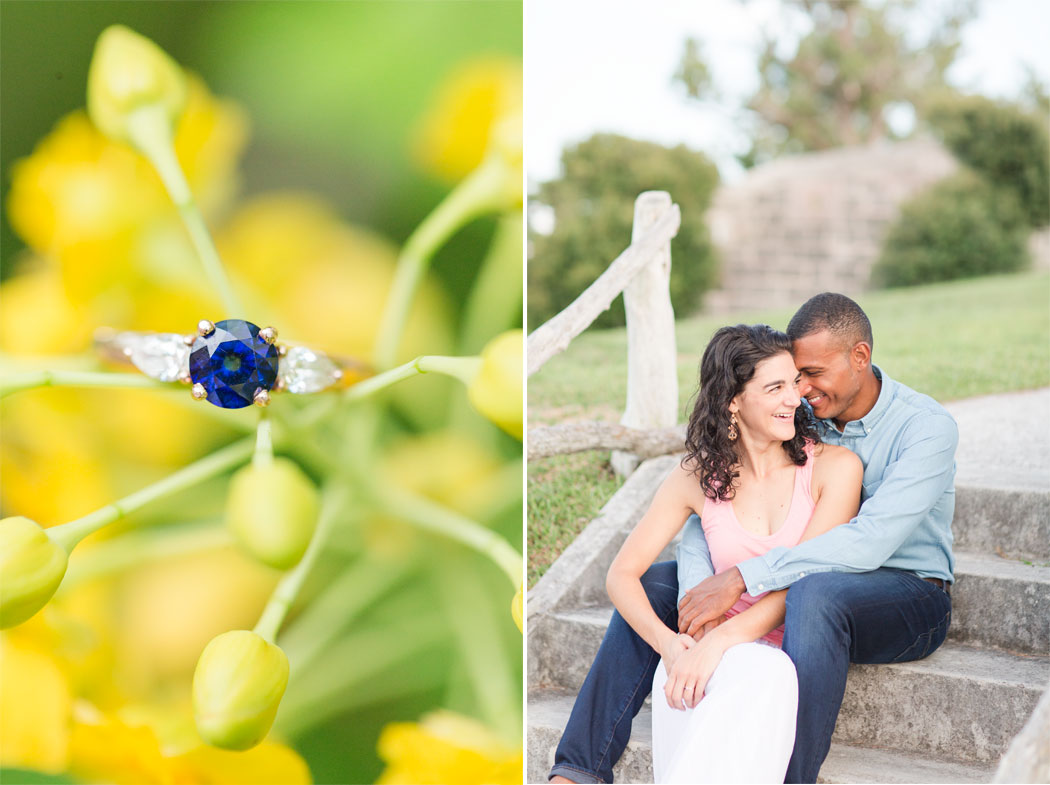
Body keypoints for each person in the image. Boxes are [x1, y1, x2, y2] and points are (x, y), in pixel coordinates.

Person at [548, 293, 957, 785]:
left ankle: (792, 777)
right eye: (789, 379)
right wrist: (697, 613)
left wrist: (738, 584)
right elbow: (711, 518)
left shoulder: (924, 428)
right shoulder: (805, 418)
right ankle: (577, 771)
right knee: (662, 580)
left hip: (904, 588)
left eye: (809, 375)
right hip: (805, 579)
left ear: (860, 358)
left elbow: (864, 544)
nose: (800, 392)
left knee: (816, 593)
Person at [605, 323, 863, 783]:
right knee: (693, 682)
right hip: (710, 655)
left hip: (785, 655)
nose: (795, 399)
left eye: (794, 384)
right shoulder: (695, 477)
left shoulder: (835, 469)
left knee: (768, 673)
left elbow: (809, 579)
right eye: (775, 387)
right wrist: (673, 646)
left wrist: (720, 643)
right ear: (733, 401)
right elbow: (622, 574)